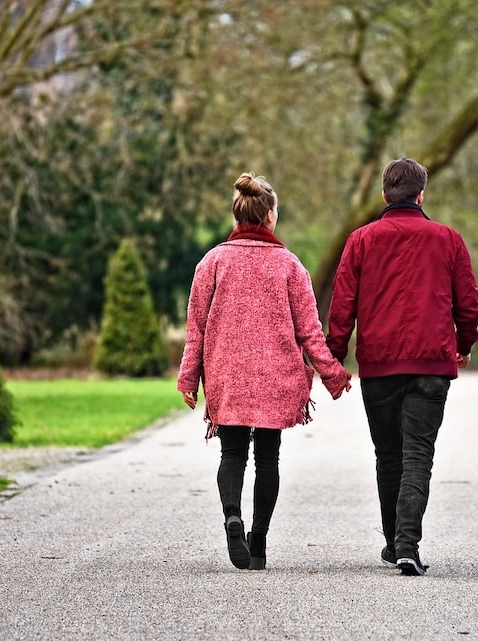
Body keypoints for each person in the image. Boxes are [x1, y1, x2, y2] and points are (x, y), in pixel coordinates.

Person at [178, 172, 351, 571]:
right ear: (270, 216)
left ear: (237, 215)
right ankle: (258, 544)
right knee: (268, 459)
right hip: (277, 377)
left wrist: (189, 379)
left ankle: (231, 517)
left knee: (232, 452)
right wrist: (333, 374)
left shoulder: (212, 262)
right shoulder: (289, 266)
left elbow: (196, 330)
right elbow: (309, 331)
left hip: (228, 374)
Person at [326, 157, 478, 576]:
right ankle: (407, 543)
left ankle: (395, 543)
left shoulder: (360, 241)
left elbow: (342, 307)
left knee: (388, 454)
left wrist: (333, 359)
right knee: (418, 454)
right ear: (421, 194)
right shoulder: (447, 239)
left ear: (384, 195)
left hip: (379, 365)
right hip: (432, 363)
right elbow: (468, 303)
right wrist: (464, 344)